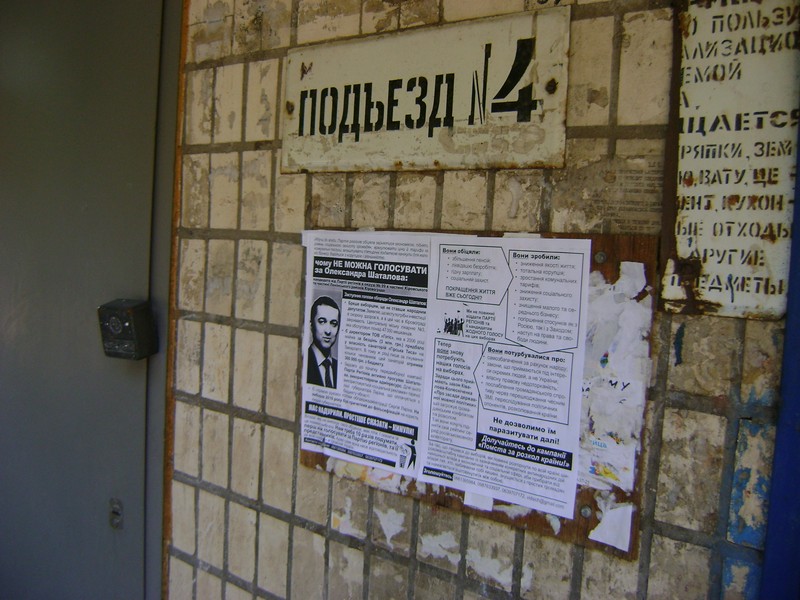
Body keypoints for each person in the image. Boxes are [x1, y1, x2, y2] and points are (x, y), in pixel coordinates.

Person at [306, 295, 340, 388]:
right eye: (322, 322)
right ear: (311, 325)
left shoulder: (339, 367)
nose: (328, 331)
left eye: (333, 324)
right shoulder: (304, 361)